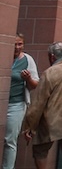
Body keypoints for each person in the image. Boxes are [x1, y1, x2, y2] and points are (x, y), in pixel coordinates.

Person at [5, 35, 38, 169]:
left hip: (16, 105)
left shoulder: (27, 60)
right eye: (14, 44)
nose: (17, 47)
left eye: (20, 44)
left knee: (10, 140)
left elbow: (35, 84)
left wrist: (28, 78)